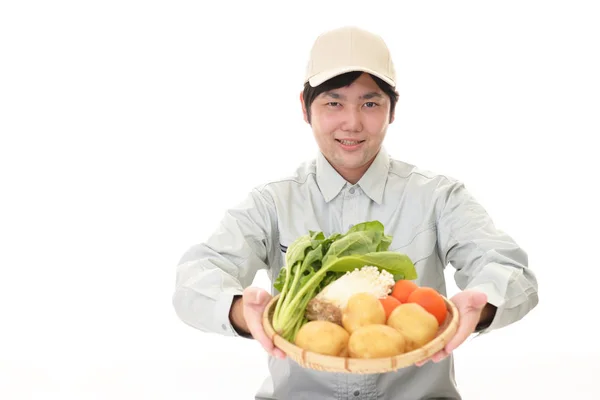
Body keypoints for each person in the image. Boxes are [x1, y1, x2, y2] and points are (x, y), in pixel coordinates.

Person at [172, 26, 539, 400]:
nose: (352, 123)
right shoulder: (272, 202)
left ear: (392, 109)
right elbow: (194, 278)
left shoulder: (439, 196)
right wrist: (240, 311)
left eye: (369, 103)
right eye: (333, 103)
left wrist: (483, 304)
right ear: (304, 107)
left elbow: (510, 269)